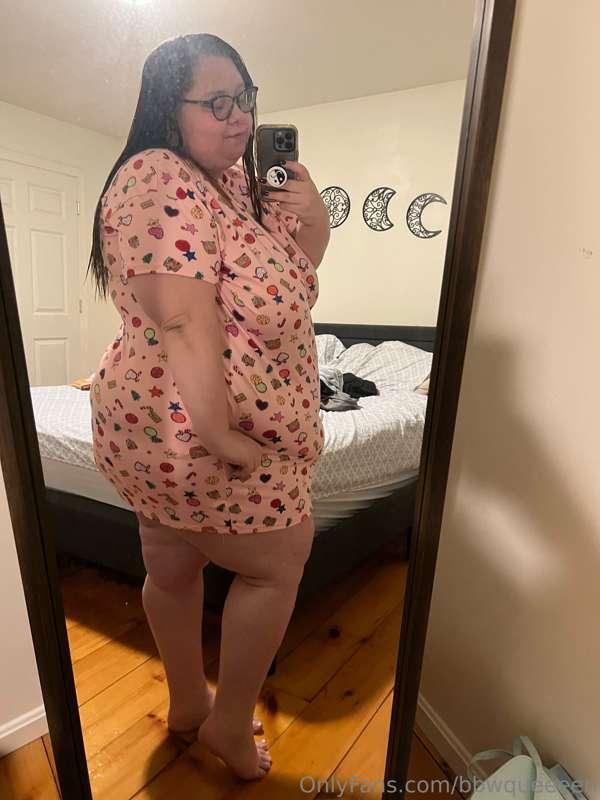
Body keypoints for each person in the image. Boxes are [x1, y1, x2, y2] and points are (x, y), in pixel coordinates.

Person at [86, 34, 331, 781]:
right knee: (278, 564)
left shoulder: (232, 187)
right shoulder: (159, 174)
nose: (240, 118)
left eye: (244, 98)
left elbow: (292, 278)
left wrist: (314, 215)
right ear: (170, 109)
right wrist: (223, 435)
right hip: (190, 432)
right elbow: (183, 320)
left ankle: (191, 704)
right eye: (216, 103)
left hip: (157, 432)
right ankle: (225, 724)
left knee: (171, 563)